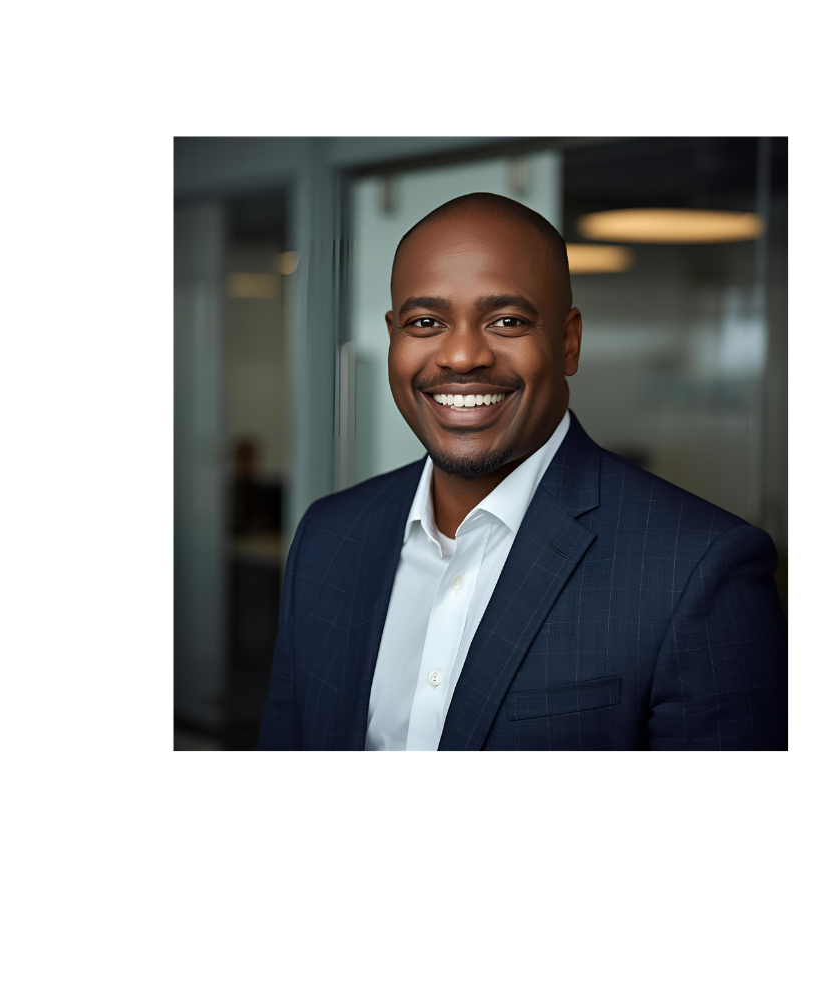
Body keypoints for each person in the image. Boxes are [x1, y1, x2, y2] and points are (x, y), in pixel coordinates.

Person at [257, 193, 786, 758]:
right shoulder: (328, 536)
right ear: (393, 338)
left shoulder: (699, 570)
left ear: (568, 342)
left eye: (507, 320)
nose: (461, 356)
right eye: (426, 321)